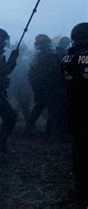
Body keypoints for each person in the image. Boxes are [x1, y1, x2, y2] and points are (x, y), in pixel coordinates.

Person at [61, 22, 88, 207]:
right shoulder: (84, 56)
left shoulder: (67, 56)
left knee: (80, 150)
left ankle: (81, 188)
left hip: (75, 109)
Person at [26, 34, 67, 138]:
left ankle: (34, 127)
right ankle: (50, 131)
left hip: (41, 85)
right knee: (51, 108)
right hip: (48, 86)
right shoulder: (49, 53)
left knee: (41, 106)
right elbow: (55, 70)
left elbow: (32, 72)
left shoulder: (38, 53)